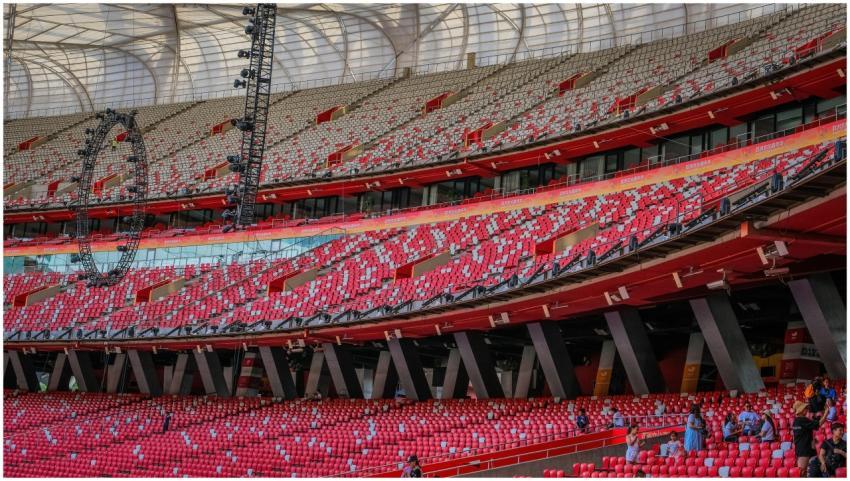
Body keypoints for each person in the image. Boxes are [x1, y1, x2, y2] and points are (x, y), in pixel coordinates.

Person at [792, 400, 829, 476]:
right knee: (802, 472)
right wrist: (826, 413)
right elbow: (818, 424)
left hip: (804, 449)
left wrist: (811, 438)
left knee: (811, 471)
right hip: (805, 450)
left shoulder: (796, 421)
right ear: (801, 410)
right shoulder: (802, 420)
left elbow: (801, 433)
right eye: (805, 408)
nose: (807, 410)